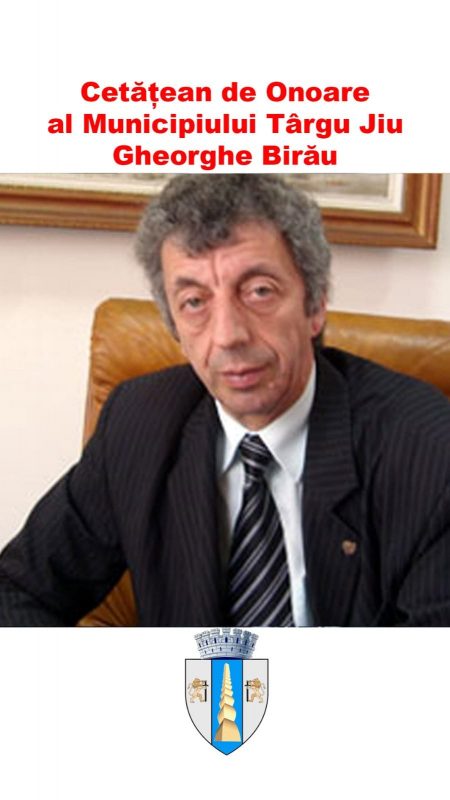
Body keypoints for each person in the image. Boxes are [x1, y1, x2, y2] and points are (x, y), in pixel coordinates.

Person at [1, 174, 450, 626]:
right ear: (175, 328)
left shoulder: (428, 451)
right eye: (194, 302)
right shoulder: (138, 423)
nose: (228, 335)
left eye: (259, 291)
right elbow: (19, 589)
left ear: (314, 306)